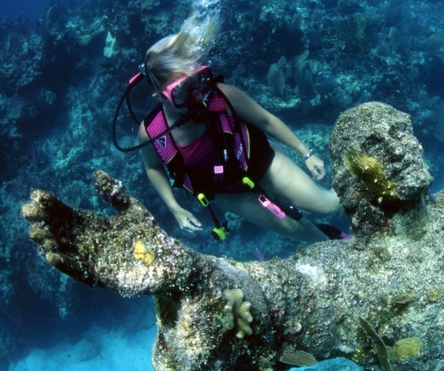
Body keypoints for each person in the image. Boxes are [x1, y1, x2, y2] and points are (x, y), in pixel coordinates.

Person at [137, 29, 341, 244]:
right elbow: (153, 167)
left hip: (261, 161)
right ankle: (333, 243)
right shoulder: (153, 133)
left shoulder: (224, 95)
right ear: (158, 94)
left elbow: (266, 120)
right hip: (227, 191)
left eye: (198, 80)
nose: (196, 95)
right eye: (180, 92)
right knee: (295, 229)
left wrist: (306, 153)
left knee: (328, 205)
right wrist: (174, 207)